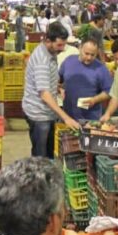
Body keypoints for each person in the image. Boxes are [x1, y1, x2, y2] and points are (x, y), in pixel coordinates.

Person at [22, 22, 80, 157]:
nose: (62, 48)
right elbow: (44, 94)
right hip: (39, 114)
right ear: (48, 41)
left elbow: (44, 81)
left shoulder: (49, 51)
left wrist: (57, 87)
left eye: (64, 44)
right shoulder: (42, 60)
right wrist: (65, 117)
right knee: (40, 155)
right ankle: (39, 177)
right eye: (59, 45)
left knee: (48, 152)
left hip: (46, 112)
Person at [59, 39, 113, 121]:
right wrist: (60, 88)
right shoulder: (69, 61)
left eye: (93, 55)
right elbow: (59, 79)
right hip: (68, 116)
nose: (89, 57)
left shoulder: (101, 68)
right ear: (80, 48)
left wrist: (94, 100)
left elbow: (109, 92)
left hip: (90, 119)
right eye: (86, 53)